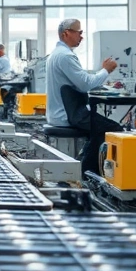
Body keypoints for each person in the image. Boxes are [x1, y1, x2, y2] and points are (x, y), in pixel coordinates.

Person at [46, 18, 121, 176]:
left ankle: (85, 166)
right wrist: (106, 70)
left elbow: (81, 81)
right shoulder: (66, 56)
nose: (81, 36)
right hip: (69, 115)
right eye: (79, 32)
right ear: (66, 33)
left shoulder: (57, 54)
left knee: (99, 128)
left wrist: (100, 76)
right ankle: (86, 173)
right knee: (113, 129)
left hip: (62, 113)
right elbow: (86, 84)